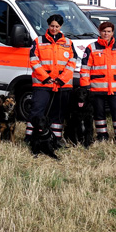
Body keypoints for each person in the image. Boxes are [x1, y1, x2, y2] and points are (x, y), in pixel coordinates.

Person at [25, 14, 78, 144]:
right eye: (52, 26)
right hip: (42, 84)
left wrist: (62, 79)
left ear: (61, 26)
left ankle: (56, 138)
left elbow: (72, 62)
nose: (54, 29)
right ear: (48, 25)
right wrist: (45, 77)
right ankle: (30, 137)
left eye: (57, 26)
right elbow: (33, 61)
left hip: (62, 85)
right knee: (37, 110)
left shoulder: (68, 43)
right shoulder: (38, 41)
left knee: (58, 113)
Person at [79, 21, 116, 143]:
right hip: (96, 88)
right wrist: (85, 86)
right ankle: (102, 136)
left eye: (108, 31)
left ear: (113, 33)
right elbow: (85, 68)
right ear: (99, 32)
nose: (106, 34)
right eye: (104, 31)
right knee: (99, 114)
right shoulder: (91, 48)